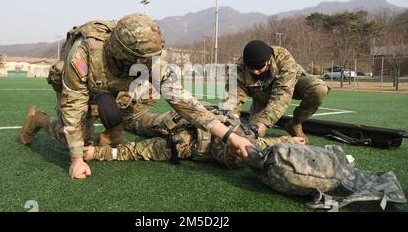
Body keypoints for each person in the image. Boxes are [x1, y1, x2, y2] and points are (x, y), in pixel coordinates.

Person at [19, 14, 254, 180]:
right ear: (126, 55)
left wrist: (228, 136)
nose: (152, 63)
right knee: (80, 144)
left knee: (97, 134)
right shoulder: (83, 55)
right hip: (79, 87)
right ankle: (38, 119)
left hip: (109, 85)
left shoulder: (147, 58)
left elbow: (184, 102)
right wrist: (75, 160)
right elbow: (73, 108)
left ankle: (109, 134)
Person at [82, 107, 305, 169]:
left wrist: (98, 152)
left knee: (139, 124)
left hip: (172, 125)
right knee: (138, 120)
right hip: (184, 114)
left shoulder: (187, 144)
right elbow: (267, 143)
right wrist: (290, 140)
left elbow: (139, 150)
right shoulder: (243, 139)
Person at [225, 40, 330, 143]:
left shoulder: (283, 58)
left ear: (269, 60)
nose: (256, 72)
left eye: (259, 67)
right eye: (251, 68)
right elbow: (232, 101)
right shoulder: (238, 68)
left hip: (290, 86)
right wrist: (231, 123)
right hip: (261, 95)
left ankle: (295, 123)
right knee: (251, 135)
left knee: (319, 89)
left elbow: (281, 95)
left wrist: (263, 124)